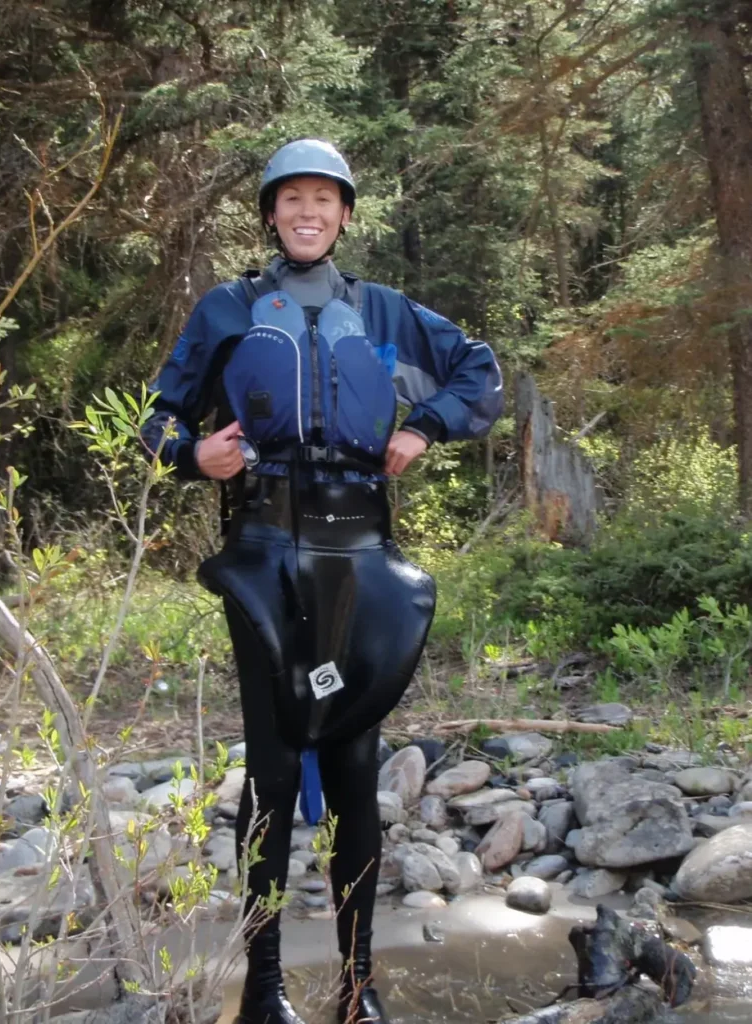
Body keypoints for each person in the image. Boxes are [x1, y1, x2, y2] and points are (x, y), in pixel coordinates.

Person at [141, 139, 504, 1024]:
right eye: (291, 198)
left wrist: (421, 430)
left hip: (361, 558)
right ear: (270, 212)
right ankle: (261, 993)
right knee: (271, 771)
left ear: (343, 215)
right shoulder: (228, 309)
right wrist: (195, 455)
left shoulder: (382, 312)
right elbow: (154, 421)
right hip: (265, 555)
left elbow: (480, 374)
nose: (307, 212)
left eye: (324, 200)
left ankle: (356, 987)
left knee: (352, 763)